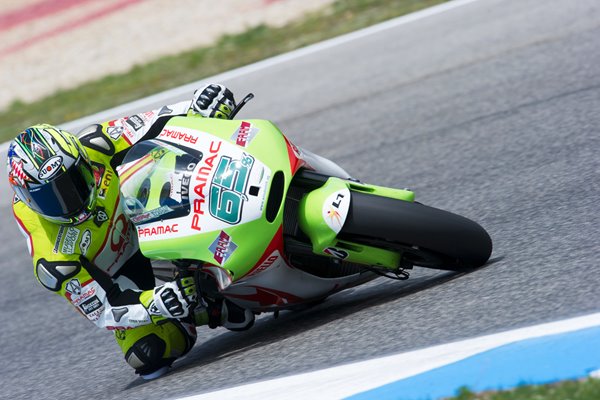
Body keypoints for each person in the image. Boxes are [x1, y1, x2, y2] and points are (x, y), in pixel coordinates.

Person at [7, 84, 254, 380]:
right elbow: (103, 309)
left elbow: (155, 120)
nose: (68, 201)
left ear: (82, 160)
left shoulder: (95, 144)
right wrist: (157, 302)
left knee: (159, 157)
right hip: (125, 278)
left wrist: (197, 107)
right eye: (50, 197)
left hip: (157, 220)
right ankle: (211, 306)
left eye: (75, 180)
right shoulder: (52, 259)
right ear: (27, 199)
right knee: (147, 354)